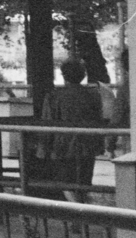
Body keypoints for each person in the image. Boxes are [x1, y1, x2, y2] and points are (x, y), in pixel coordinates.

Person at [37, 58, 105, 203]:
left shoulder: (54, 96)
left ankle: (78, 212)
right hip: (88, 145)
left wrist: (43, 149)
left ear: (64, 75)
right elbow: (98, 118)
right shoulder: (93, 95)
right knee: (84, 182)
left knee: (65, 181)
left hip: (63, 146)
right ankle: (82, 211)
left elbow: (48, 123)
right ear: (83, 75)